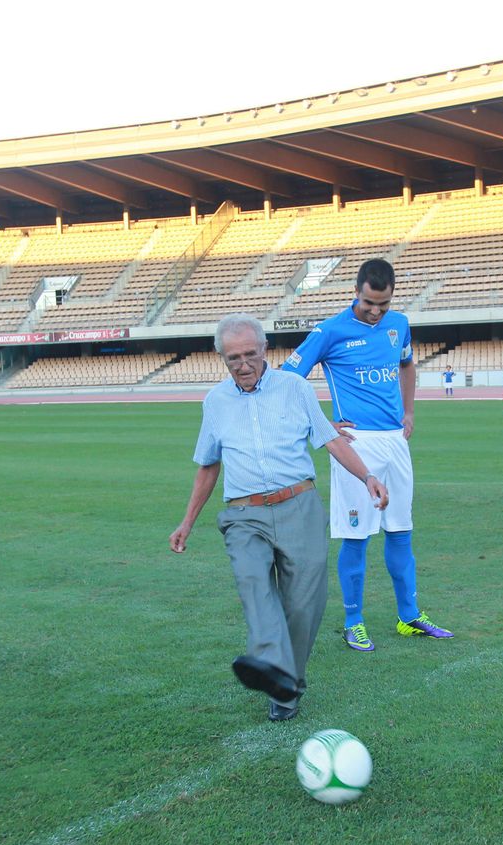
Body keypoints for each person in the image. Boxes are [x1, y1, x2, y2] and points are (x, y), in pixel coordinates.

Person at [171, 314, 388, 719]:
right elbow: (207, 465)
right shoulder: (215, 402)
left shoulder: (295, 388)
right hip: (243, 514)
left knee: (304, 606)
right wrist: (187, 522)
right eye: (233, 358)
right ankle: (271, 664)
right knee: (254, 584)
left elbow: (330, 440)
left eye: (250, 354)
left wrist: (368, 477)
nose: (243, 365)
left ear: (265, 349)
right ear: (221, 359)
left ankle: (286, 688)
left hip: (299, 506)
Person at [281, 258, 453, 652]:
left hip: (395, 442)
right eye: (368, 302)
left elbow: (407, 365)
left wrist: (409, 411)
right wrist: (321, 424)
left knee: (400, 531)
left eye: (384, 304)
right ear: (355, 292)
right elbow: (287, 379)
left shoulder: (399, 325)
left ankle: (409, 616)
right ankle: (353, 621)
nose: (376, 311)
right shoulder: (330, 330)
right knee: (356, 537)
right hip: (355, 446)